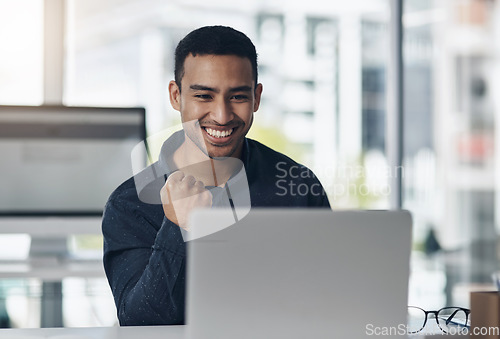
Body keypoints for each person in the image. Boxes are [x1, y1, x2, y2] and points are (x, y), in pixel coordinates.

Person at [102, 25, 331, 326]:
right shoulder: (130, 203)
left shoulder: (297, 185)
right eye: (204, 96)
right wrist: (177, 225)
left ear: (257, 97)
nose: (222, 116)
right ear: (176, 96)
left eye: (237, 96)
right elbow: (141, 321)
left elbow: (329, 296)